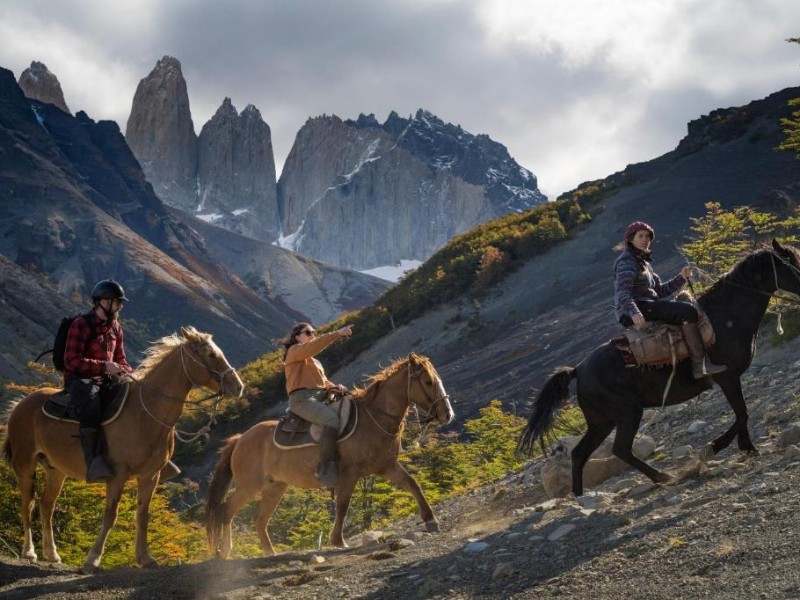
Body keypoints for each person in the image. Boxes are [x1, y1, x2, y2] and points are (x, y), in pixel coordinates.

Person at [613, 221, 726, 379]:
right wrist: (634, 311)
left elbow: (660, 291)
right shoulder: (626, 261)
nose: (645, 239)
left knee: (684, 308)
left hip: (648, 305)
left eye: (648, 237)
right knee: (688, 311)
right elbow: (622, 291)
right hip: (636, 308)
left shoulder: (644, 262)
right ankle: (699, 365)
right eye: (640, 236)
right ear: (631, 239)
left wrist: (681, 278)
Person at [282, 322, 353, 487]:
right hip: (301, 400)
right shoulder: (293, 352)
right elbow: (314, 347)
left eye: (314, 332)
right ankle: (326, 468)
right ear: (297, 336)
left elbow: (323, 382)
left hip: (321, 396)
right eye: (308, 332)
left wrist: (335, 386)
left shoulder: (314, 361)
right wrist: (337, 334)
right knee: (331, 420)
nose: (312, 335)